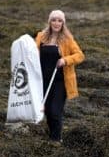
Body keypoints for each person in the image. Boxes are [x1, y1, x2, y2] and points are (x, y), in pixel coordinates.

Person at [34, 10, 85, 142]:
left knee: (55, 112)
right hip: (43, 80)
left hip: (60, 81)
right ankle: (52, 136)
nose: (56, 23)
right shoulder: (41, 36)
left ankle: (57, 140)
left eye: (60, 20)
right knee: (47, 112)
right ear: (49, 21)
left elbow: (80, 55)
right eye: (54, 20)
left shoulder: (67, 39)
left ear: (63, 23)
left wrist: (65, 60)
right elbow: (33, 54)